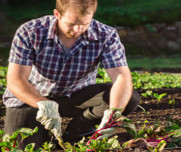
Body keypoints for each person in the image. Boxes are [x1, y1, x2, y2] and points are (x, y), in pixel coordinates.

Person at [3, 0, 140, 149]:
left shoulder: (106, 35)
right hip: (33, 98)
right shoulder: (30, 31)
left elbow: (121, 77)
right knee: (23, 147)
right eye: (72, 24)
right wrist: (43, 104)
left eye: (84, 24)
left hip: (76, 96)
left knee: (129, 97)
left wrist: (114, 112)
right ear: (57, 14)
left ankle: (77, 132)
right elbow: (16, 79)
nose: (78, 30)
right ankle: (46, 134)